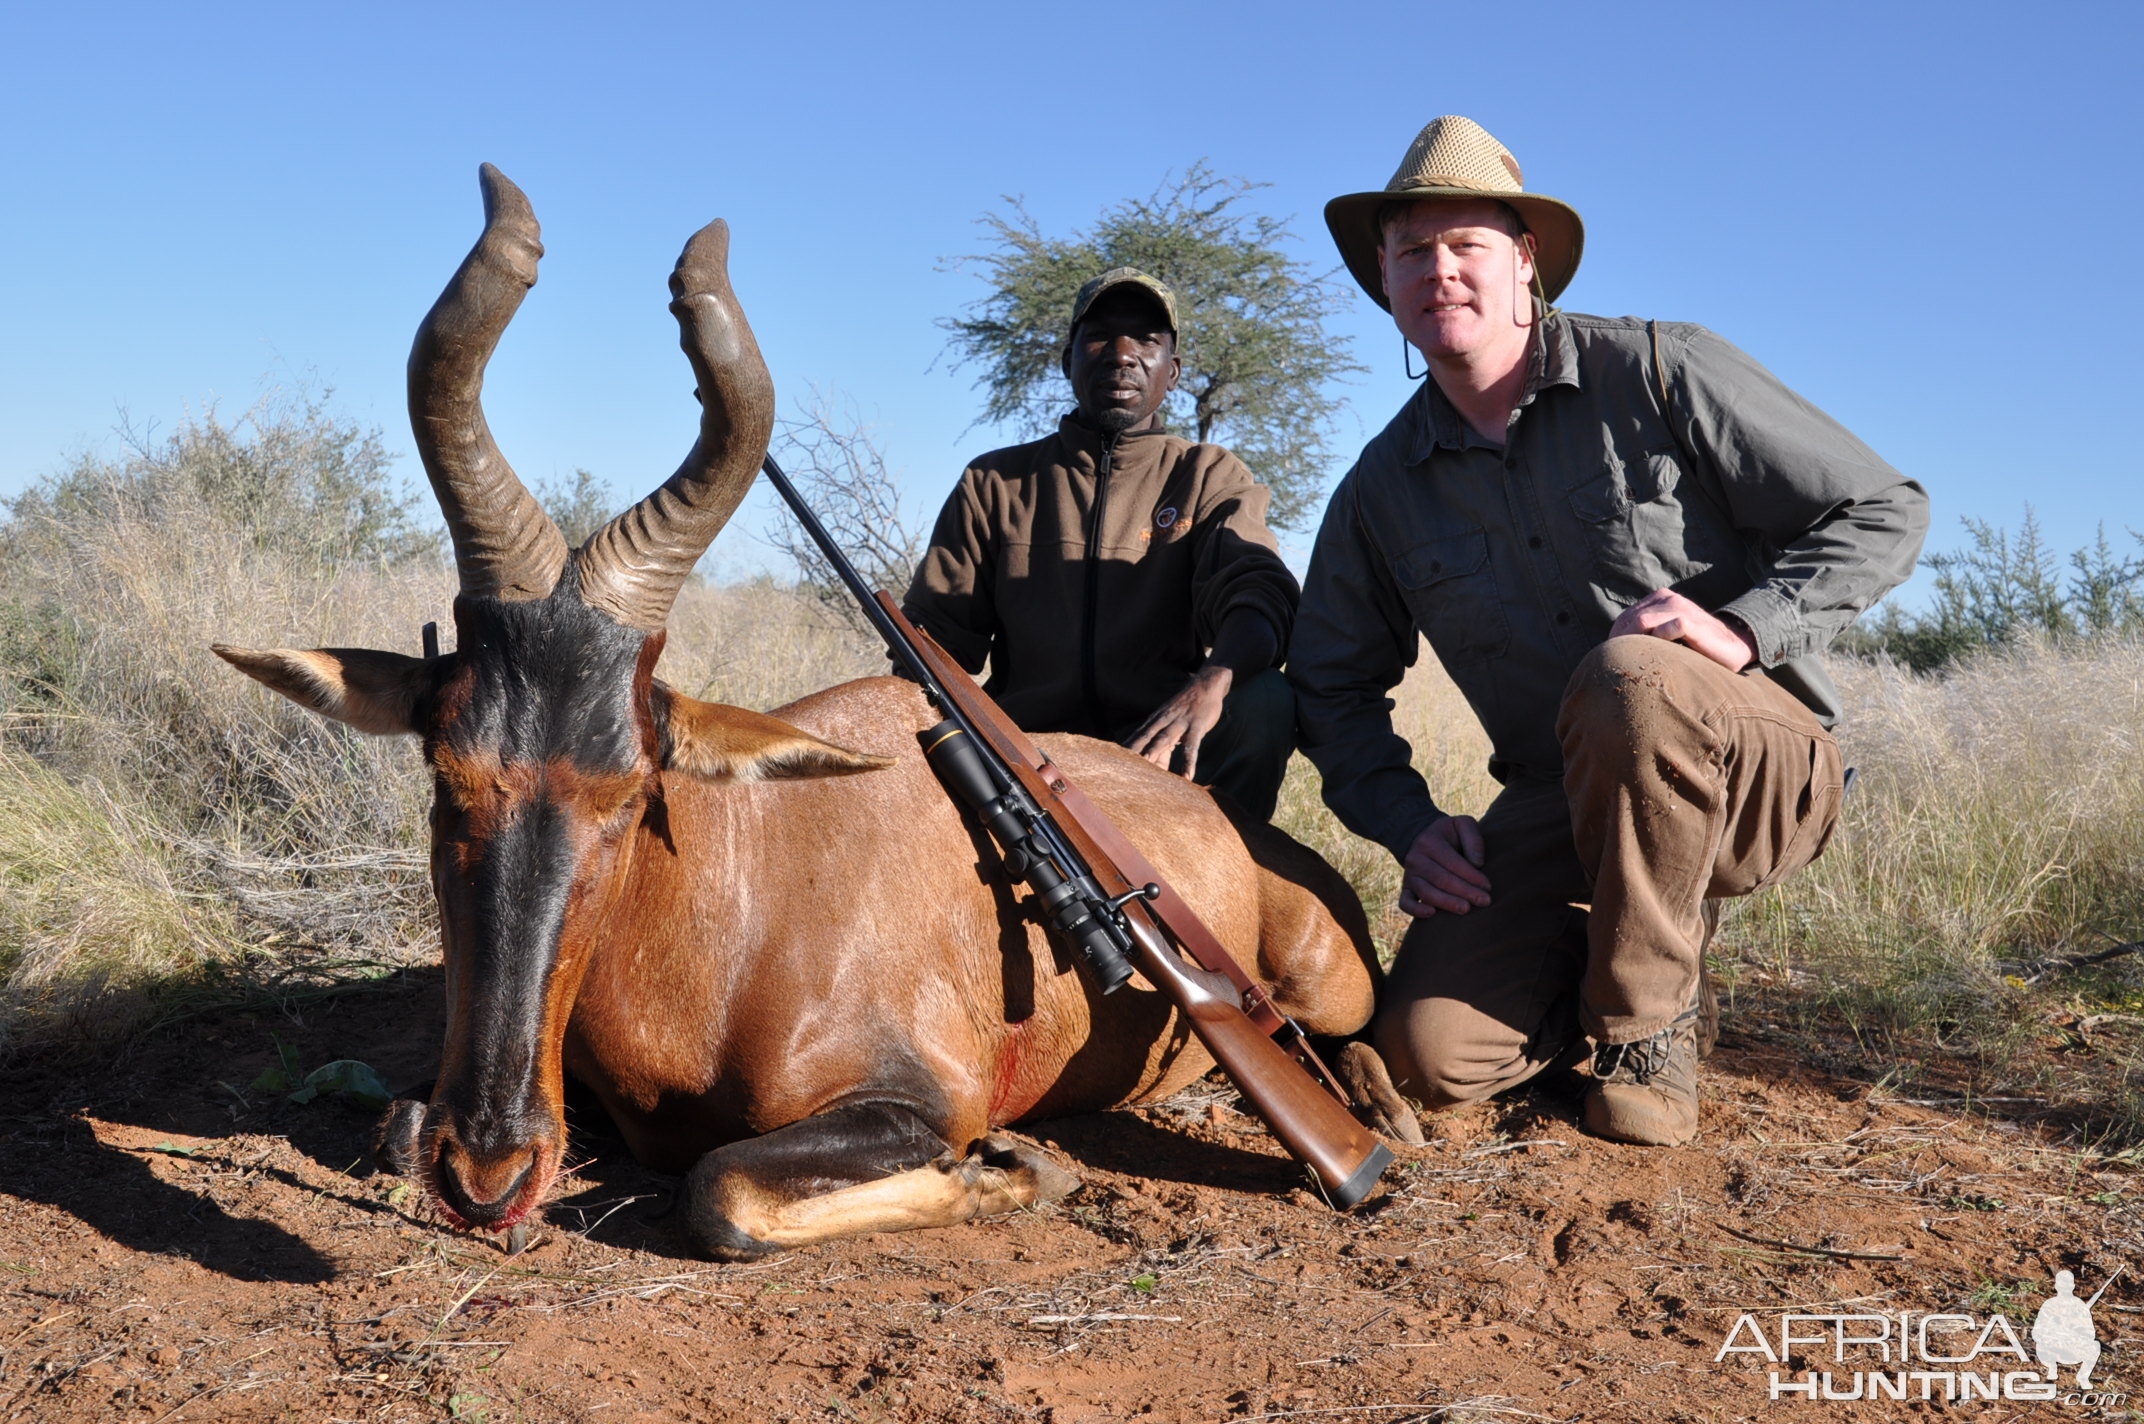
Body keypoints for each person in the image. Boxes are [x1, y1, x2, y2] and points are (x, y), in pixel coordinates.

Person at [1289, 116, 1928, 1145]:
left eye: (1467, 246)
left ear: (1524, 260)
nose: (1439, 271)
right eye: (1412, 250)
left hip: (1754, 768)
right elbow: (1327, 681)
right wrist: (1410, 824)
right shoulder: (1377, 487)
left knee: (1633, 674)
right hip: (1559, 798)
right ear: (1382, 272)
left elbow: (1882, 508)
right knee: (1428, 1058)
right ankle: (1613, 954)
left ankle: (1644, 1027)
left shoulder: (1662, 369)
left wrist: (1744, 626)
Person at [904, 268, 1299, 819]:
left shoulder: (1208, 474)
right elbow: (937, 639)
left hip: (1156, 744)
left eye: (1147, 339)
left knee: (1265, 701)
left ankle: (1229, 872)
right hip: (1024, 751)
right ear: (1069, 360)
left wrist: (1209, 683)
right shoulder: (994, 481)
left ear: (1173, 371)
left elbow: (1261, 595)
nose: (1121, 354)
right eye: (1099, 336)